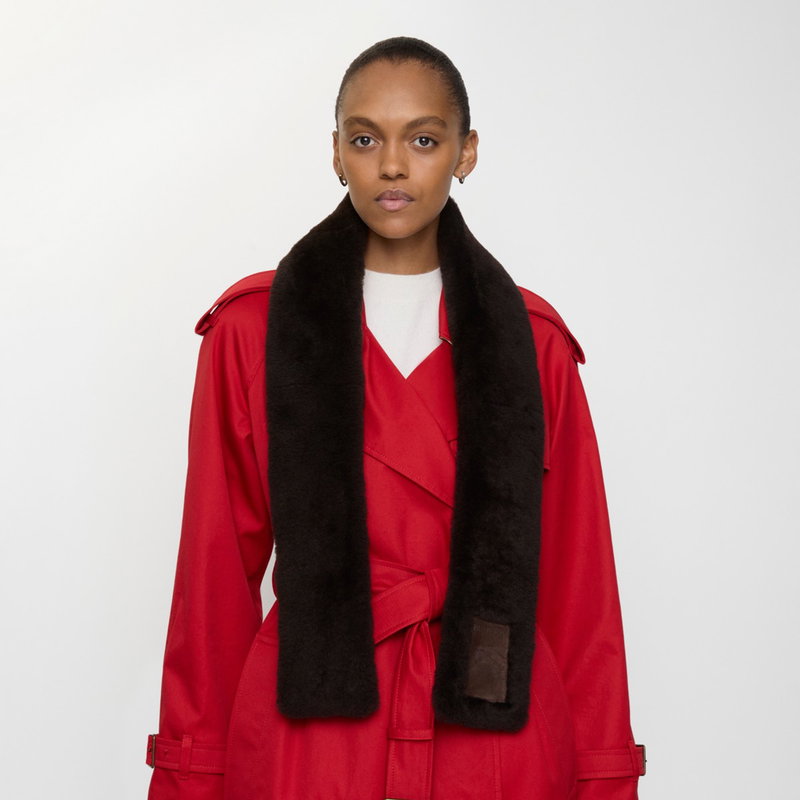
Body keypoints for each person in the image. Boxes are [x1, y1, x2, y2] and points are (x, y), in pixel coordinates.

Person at [145, 36, 646, 800]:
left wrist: (603, 779)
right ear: (335, 152)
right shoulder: (255, 330)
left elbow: (582, 592)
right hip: (311, 735)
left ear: (466, 152)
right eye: (365, 139)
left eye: (423, 139)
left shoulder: (533, 341)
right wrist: (191, 775)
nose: (391, 165)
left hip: (493, 733)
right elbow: (211, 582)